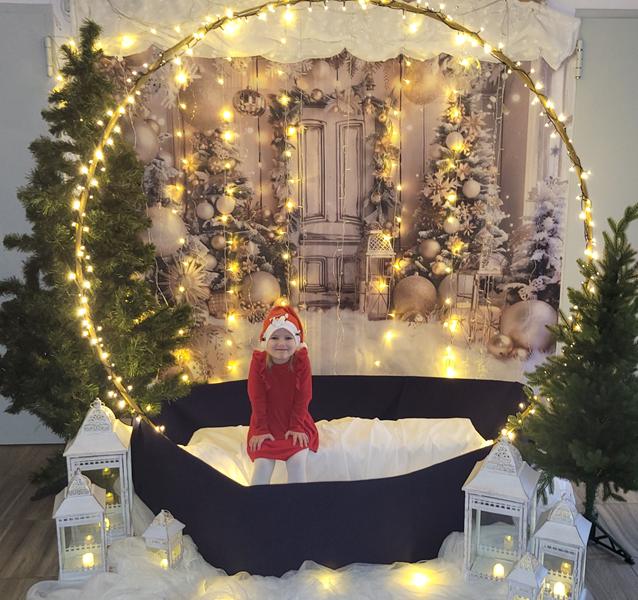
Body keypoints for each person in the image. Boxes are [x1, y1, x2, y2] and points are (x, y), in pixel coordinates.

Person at [247, 305, 319, 484]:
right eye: (275, 337)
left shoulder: (301, 360)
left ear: (297, 340)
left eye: (288, 337)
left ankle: (296, 502)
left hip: (295, 421)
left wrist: (296, 426)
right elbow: (257, 397)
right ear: (265, 340)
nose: (281, 343)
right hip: (266, 423)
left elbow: (303, 396)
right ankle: (256, 501)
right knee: (262, 466)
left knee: (297, 464)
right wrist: (261, 429)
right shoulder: (259, 362)